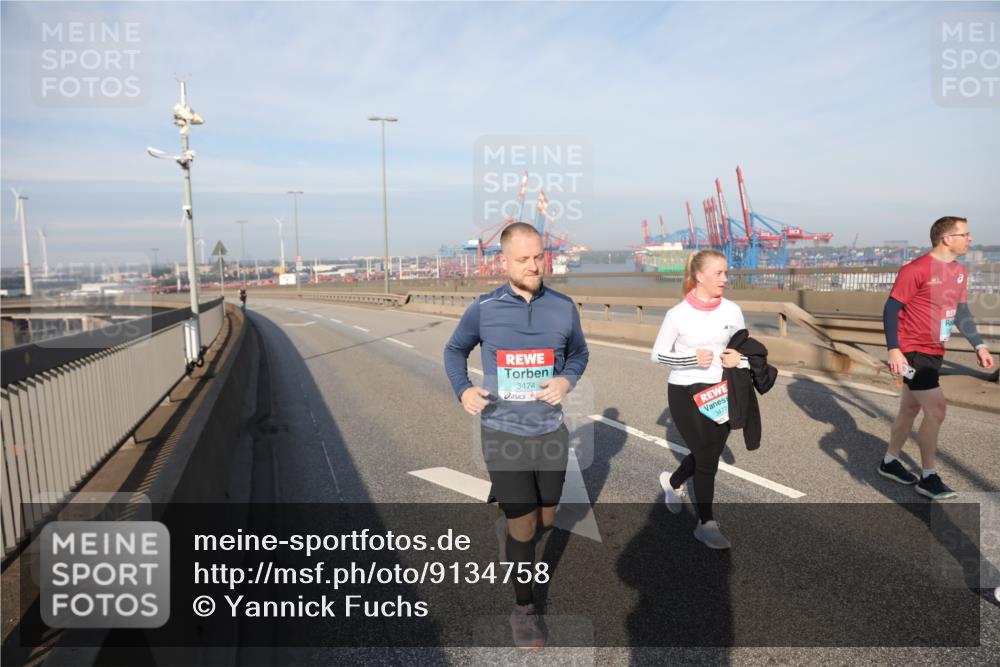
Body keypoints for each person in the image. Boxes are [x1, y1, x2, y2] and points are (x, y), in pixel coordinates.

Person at [444, 222, 589, 648]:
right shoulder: (484, 310)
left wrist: (565, 381)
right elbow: (454, 350)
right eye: (523, 259)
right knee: (524, 527)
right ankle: (524, 609)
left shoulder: (563, 307)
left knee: (547, 518)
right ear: (503, 262)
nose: (534, 265)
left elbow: (579, 352)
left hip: (550, 432)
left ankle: (513, 522)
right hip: (501, 432)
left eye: (538, 256)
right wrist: (463, 388)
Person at [880, 216, 994, 499]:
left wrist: (978, 345)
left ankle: (890, 461)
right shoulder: (916, 269)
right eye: (965, 234)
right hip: (912, 352)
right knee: (937, 410)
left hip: (934, 351)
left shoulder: (959, 272)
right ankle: (928, 476)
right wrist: (894, 349)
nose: (970, 239)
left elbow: (962, 313)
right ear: (947, 238)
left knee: (909, 408)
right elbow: (891, 310)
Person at [651, 249, 748, 550]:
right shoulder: (677, 314)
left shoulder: (732, 311)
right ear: (699, 276)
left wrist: (739, 360)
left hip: (721, 390)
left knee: (709, 453)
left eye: (726, 273)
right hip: (684, 391)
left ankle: (674, 482)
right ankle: (706, 523)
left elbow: (746, 350)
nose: (725, 279)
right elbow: (657, 355)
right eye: (719, 273)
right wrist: (689, 359)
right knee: (707, 457)